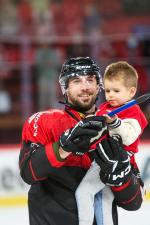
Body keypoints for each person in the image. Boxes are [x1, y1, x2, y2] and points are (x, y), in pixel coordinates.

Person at [19, 57, 144, 225]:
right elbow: (29, 173)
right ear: (65, 87)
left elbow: (134, 203)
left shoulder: (114, 127)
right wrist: (63, 147)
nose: (85, 87)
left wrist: (120, 177)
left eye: (90, 80)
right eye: (77, 81)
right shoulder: (43, 121)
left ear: (98, 85)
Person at [75, 61, 148, 225]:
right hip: (101, 158)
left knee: (84, 192)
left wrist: (114, 123)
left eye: (116, 90)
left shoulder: (134, 113)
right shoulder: (104, 108)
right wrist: (89, 124)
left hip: (116, 162)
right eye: (107, 90)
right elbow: (97, 134)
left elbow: (129, 137)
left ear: (131, 92)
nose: (110, 95)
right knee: (104, 200)